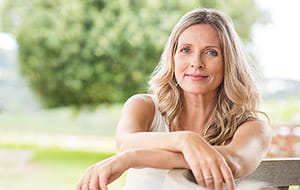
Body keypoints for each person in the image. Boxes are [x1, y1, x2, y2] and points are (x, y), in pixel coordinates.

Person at [76, 8, 272, 190]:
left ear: (228, 62)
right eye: (186, 50)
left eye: (211, 52)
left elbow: (233, 161)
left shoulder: (253, 127)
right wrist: (184, 140)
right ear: (173, 57)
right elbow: (125, 142)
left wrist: (134, 158)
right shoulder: (144, 106)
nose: (196, 63)